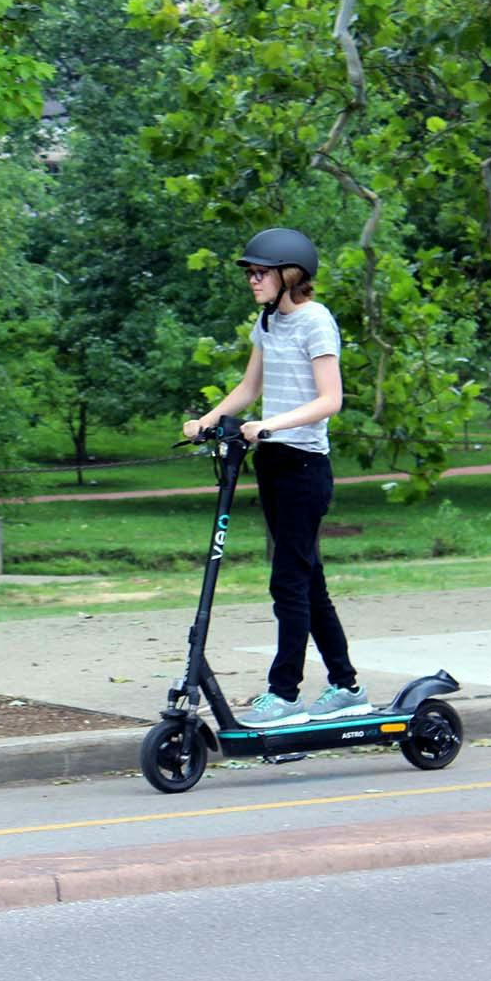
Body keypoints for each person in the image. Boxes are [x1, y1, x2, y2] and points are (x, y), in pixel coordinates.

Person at [181, 227, 364, 727]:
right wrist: (210, 418)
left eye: (260, 272)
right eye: (249, 273)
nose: (252, 280)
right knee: (309, 582)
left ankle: (284, 695)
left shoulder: (316, 323)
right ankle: (347, 685)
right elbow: (250, 385)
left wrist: (271, 424)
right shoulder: (266, 322)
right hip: (273, 463)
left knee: (288, 582)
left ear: (291, 275)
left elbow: (331, 400)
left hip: (305, 465)